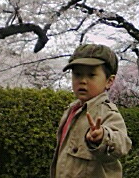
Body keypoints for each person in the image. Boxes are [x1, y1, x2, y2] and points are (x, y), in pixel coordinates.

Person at [50, 43, 132, 178]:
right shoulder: (72, 109)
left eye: (91, 75)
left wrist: (102, 137)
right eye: (77, 74)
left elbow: (123, 143)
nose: (83, 81)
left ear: (109, 81)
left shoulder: (106, 111)